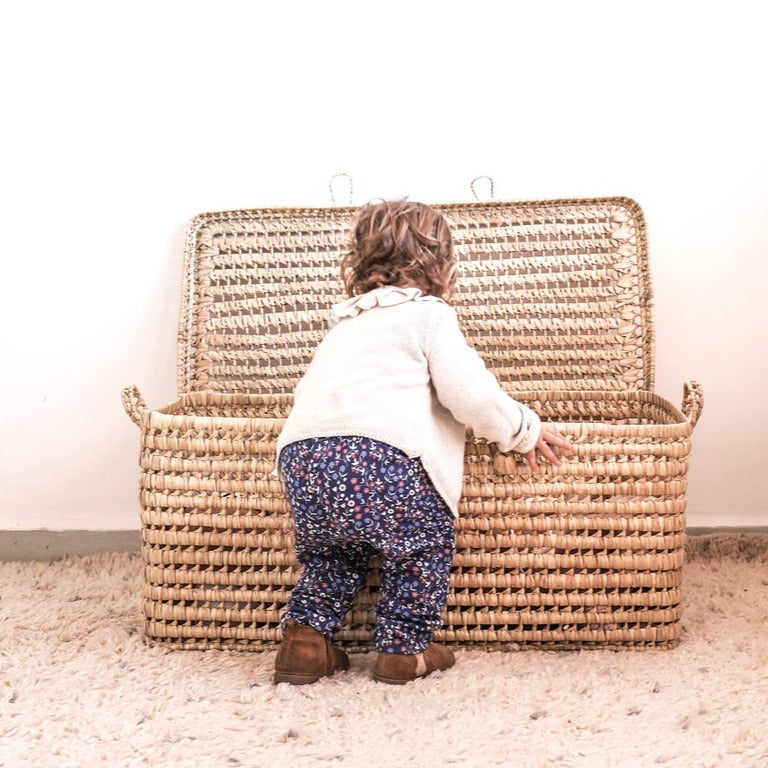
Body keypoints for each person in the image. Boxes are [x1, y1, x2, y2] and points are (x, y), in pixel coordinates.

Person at [273, 199, 572, 685]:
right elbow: (471, 395)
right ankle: (403, 651)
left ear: (360, 268)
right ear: (448, 272)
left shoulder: (344, 325)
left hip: (301, 460)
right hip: (380, 459)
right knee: (422, 544)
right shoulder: (430, 315)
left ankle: (304, 643)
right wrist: (524, 429)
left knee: (332, 553)